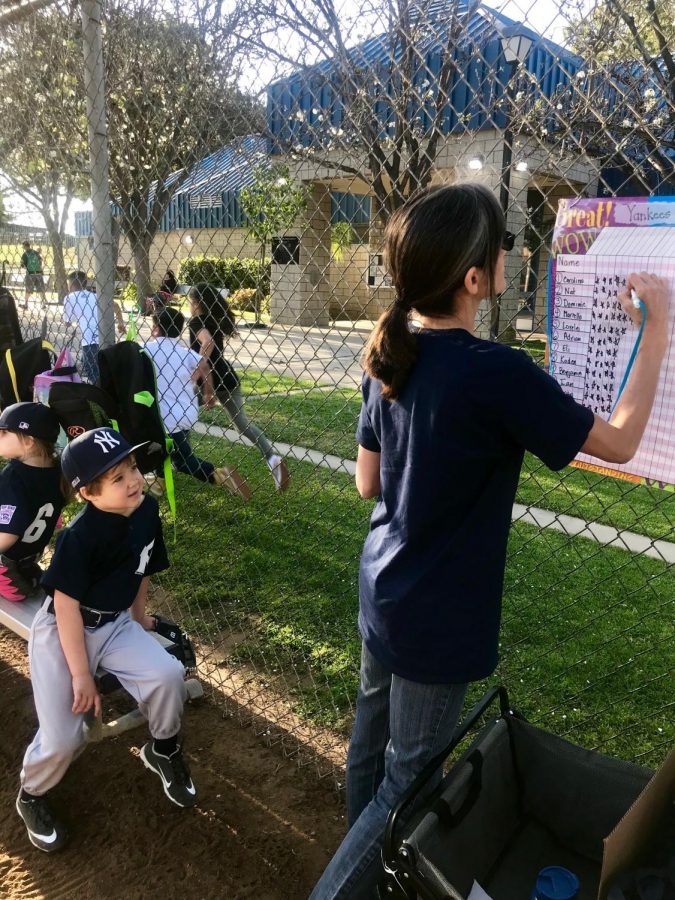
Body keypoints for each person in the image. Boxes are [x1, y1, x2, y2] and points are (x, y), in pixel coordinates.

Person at [310, 183, 668, 899]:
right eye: (499, 244)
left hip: (383, 588)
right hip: (438, 619)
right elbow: (623, 443)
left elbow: (365, 483)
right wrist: (655, 329)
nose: (509, 252)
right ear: (474, 279)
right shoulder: (494, 373)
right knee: (408, 783)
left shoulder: (392, 350)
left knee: (369, 748)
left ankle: (371, 873)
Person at [16, 426, 197, 854]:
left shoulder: (147, 509)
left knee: (167, 675)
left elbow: (143, 565)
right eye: (117, 478)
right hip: (64, 634)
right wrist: (82, 675)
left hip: (115, 624)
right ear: (88, 494)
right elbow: (64, 609)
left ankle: (163, 749)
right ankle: (32, 793)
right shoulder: (78, 537)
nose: (134, 479)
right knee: (65, 738)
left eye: (132, 466)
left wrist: (139, 617)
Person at [188, 283, 289, 492]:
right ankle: (273, 459)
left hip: (207, 382)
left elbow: (207, 343)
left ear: (197, 304)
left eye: (190, 302)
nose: (189, 306)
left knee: (181, 417)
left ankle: (179, 457)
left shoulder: (197, 321)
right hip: (228, 380)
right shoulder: (215, 320)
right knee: (242, 425)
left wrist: (200, 365)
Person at [143, 306, 251, 500]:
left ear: (156, 329)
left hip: (165, 418)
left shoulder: (147, 350)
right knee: (164, 448)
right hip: (186, 413)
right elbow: (205, 366)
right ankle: (159, 481)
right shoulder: (184, 352)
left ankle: (219, 475)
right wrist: (209, 393)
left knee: (183, 461)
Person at [0, 402, 69, 603]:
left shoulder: (13, 477)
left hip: (9, 574)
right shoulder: (57, 471)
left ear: (29, 441)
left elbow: (8, 535)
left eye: (4, 433)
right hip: (28, 567)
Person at [63, 271, 124, 383]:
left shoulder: (69, 297)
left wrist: (71, 319)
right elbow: (115, 305)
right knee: (102, 366)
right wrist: (121, 323)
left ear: (71, 285)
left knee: (94, 373)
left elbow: (67, 322)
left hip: (89, 340)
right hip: (105, 337)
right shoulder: (96, 296)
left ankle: (99, 394)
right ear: (85, 283)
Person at [19, 241, 47, 310]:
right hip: (38, 273)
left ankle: (25, 305)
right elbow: (40, 261)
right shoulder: (35, 252)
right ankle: (43, 304)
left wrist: (24, 265)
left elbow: (22, 265)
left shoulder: (25, 254)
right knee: (40, 290)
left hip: (30, 274)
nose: (23, 248)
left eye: (23, 247)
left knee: (28, 290)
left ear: (25, 246)